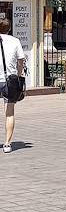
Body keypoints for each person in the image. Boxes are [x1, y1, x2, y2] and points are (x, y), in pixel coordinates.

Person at [0, 19, 25, 154]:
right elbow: (20, 61)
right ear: (9, 29)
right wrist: (18, 74)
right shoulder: (15, 41)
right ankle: (7, 144)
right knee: (9, 113)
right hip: (9, 81)